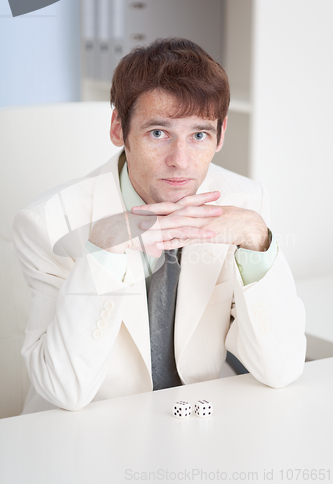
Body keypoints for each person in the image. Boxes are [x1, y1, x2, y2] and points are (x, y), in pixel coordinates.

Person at [13, 38, 306, 414]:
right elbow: (65, 390)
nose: (180, 162)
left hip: (192, 425)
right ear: (119, 128)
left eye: (199, 135)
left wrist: (257, 240)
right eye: (158, 133)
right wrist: (103, 254)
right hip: (85, 434)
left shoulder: (247, 204)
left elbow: (279, 369)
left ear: (221, 134)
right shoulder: (49, 223)